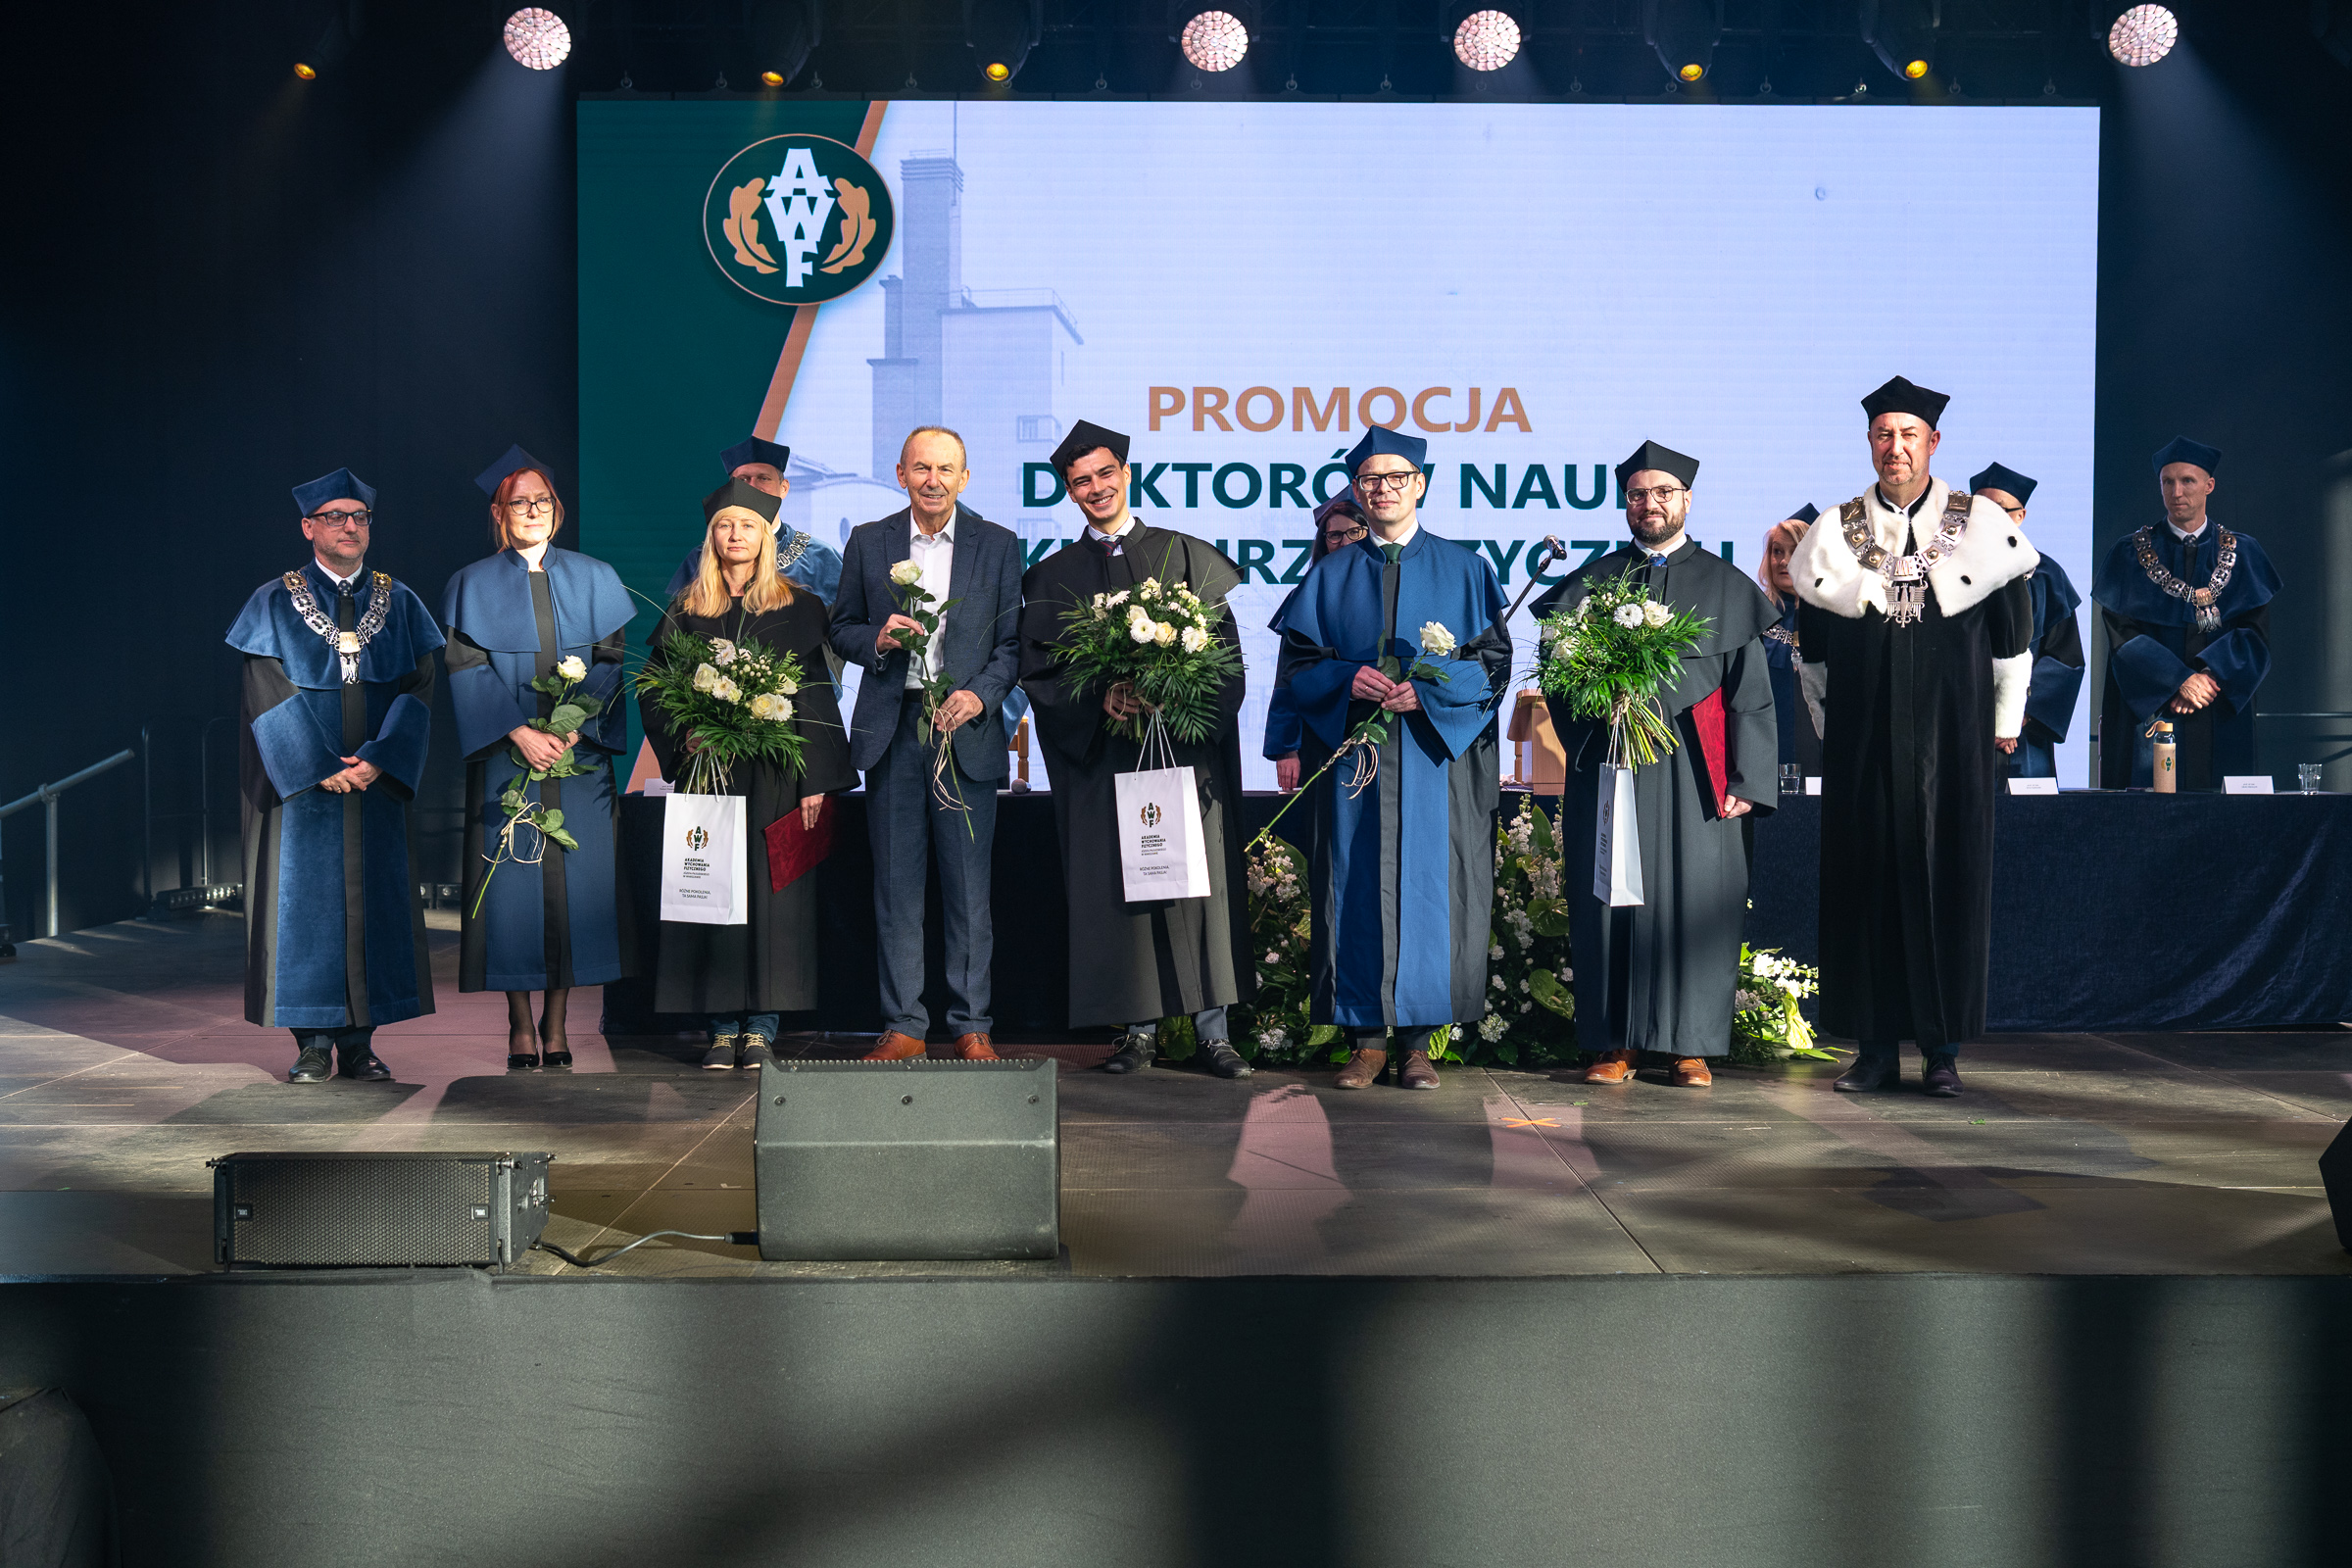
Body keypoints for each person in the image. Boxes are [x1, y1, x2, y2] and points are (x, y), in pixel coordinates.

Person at [1788, 376, 2036, 1099]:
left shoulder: (1982, 525)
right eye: (1882, 436)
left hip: (1953, 743)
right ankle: (1872, 1051)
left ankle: (1941, 1051)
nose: (1894, 448)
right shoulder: (1835, 531)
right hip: (1863, 743)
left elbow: (2013, 643)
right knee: (1864, 885)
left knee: (1947, 881)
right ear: (1869, 444)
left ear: (1933, 442)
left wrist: (2002, 727)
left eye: (1907, 436)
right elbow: (1814, 656)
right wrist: (1834, 733)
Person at [1016, 419, 1255, 1079]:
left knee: (1199, 885)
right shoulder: (1052, 577)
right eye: (1080, 481)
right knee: (1116, 887)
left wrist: (1175, 698)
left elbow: (1226, 661)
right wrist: (1100, 700)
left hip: (1183, 750)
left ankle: (1214, 1034)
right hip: (1102, 759)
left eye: (1104, 474)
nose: (1096, 488)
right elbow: (1040, 673)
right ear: (1070, 492)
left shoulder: (1186, 556)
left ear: (1125, 474)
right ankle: (1137, 1032)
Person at [1274, 427, 1510, 1091]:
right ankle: (1366, 1043)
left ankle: (1417, 1045)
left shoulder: (1465, 568)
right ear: (1358, 490)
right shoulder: (1331, 573)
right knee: (1354, 883)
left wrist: (1430, 689)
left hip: (1434, 760)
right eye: (1371, 479)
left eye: (1396, 477)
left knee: (1432, 889)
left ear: (1420, 485)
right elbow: (1300, 666)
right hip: (1360, 759)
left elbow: (1493, 666)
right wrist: (1347, 678)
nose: (1383, 489)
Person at [1539, 441, 1779, 1090]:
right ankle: (1614, 1042)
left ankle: (1688, 1045)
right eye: (1638, 495)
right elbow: (1557, 682)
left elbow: (1751, 695)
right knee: (1610, 900)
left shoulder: (1726, 586)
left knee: (1696, 900)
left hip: (1697, 771)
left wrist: (1749, 779)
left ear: (1687, 500)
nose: (1650, 504)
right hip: (1614, 762)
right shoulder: (1594, 583)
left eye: (1663, 493)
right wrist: (1600, 714)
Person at [227, 468, 443, 1084]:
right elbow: (264, 686)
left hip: (374, 781)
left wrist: (382, 757)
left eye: (360, 517)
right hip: (299, 787)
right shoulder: (273, 601)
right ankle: (313, 1043)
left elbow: (421, 684)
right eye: (335, 517)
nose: (350, 526)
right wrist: (317, 766)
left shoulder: (400, 600)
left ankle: (360, 1043)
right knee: (303, 908)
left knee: (375, 905)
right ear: (308, 527)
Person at [641, 479, 857, 1069]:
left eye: (747, 525)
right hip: (710, 773)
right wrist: (685, 735)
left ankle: (761, 1027)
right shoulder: (688, 608)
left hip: (779, 775)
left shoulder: (801, 606)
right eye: (724, 525)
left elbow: (817, 696)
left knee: (774, 899)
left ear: (767, 535)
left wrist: (816, 780)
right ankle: (720, 1028)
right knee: (712, 892)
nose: (735, 535)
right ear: (711, 536)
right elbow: (654, 688)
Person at [828, 427, 1025, 1061]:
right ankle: (905, 1026)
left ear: (964, 478)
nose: (932, 480)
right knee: (896, 888)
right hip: (893, 732)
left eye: (945, 469)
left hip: (962, 730)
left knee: (968, 889)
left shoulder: (999, 544)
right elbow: (841, 628)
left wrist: (980, 696)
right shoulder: (869, 541)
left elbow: (1013, 645)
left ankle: (972, 1024)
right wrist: (877, 639)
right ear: (901, 474)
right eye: (921, 468)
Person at [440, 446, 636, 1072]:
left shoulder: (595, 576)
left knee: (576, 887)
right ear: (499, 513)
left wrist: (573, 728)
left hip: (580, 762)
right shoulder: (470, 583)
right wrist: (518, 732)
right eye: (518, 501)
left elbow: (610, 661)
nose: (532, 510)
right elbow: (465, 666)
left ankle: (557, 1023)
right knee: (512, 890)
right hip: (507, 756)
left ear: (557, 509)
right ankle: (520, 1025)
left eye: (542, 500)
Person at [2091, 438, 2278, 791]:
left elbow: (2254, 634)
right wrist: (2177, 680)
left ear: (2209, 485)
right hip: (2152, 704)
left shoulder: (2245, 553)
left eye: (2187, 481)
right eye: (2168, 482)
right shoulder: (2129, 554)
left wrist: (2208, 676)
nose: (2176, 492)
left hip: (2218, 700)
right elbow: (2122, 635)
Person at [1970, 463, 2084, 781]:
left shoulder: (2046, 575)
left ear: (2019, 516)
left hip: (2024, 730)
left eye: (1999, 510)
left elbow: (2066, 658)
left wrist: (2015, 715)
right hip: (1963, 726)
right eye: (1979, 509)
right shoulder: (1947, 571)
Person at [1265, 494, 1370, 793]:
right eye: (1334, 535)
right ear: (1323, 542)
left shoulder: (1394, 588)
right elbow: (1288, 675)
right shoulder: (1307, 595)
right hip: (1319, 734)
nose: (1344, 542)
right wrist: (1286, 748)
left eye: (1354, 532)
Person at [664, 436, 845, 606]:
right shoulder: (703, 558)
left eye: (763, 478)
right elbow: (679, 622)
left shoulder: (819, 557)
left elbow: (845, 621)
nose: (752, 487)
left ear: (783, 488)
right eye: (743, 480)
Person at [1758, 507, 1825, 776]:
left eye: (1796, 552)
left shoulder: (1838, 619)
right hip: (1766, 756)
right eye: (1777, 551)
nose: (1784, 561)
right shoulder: (1754, 617)